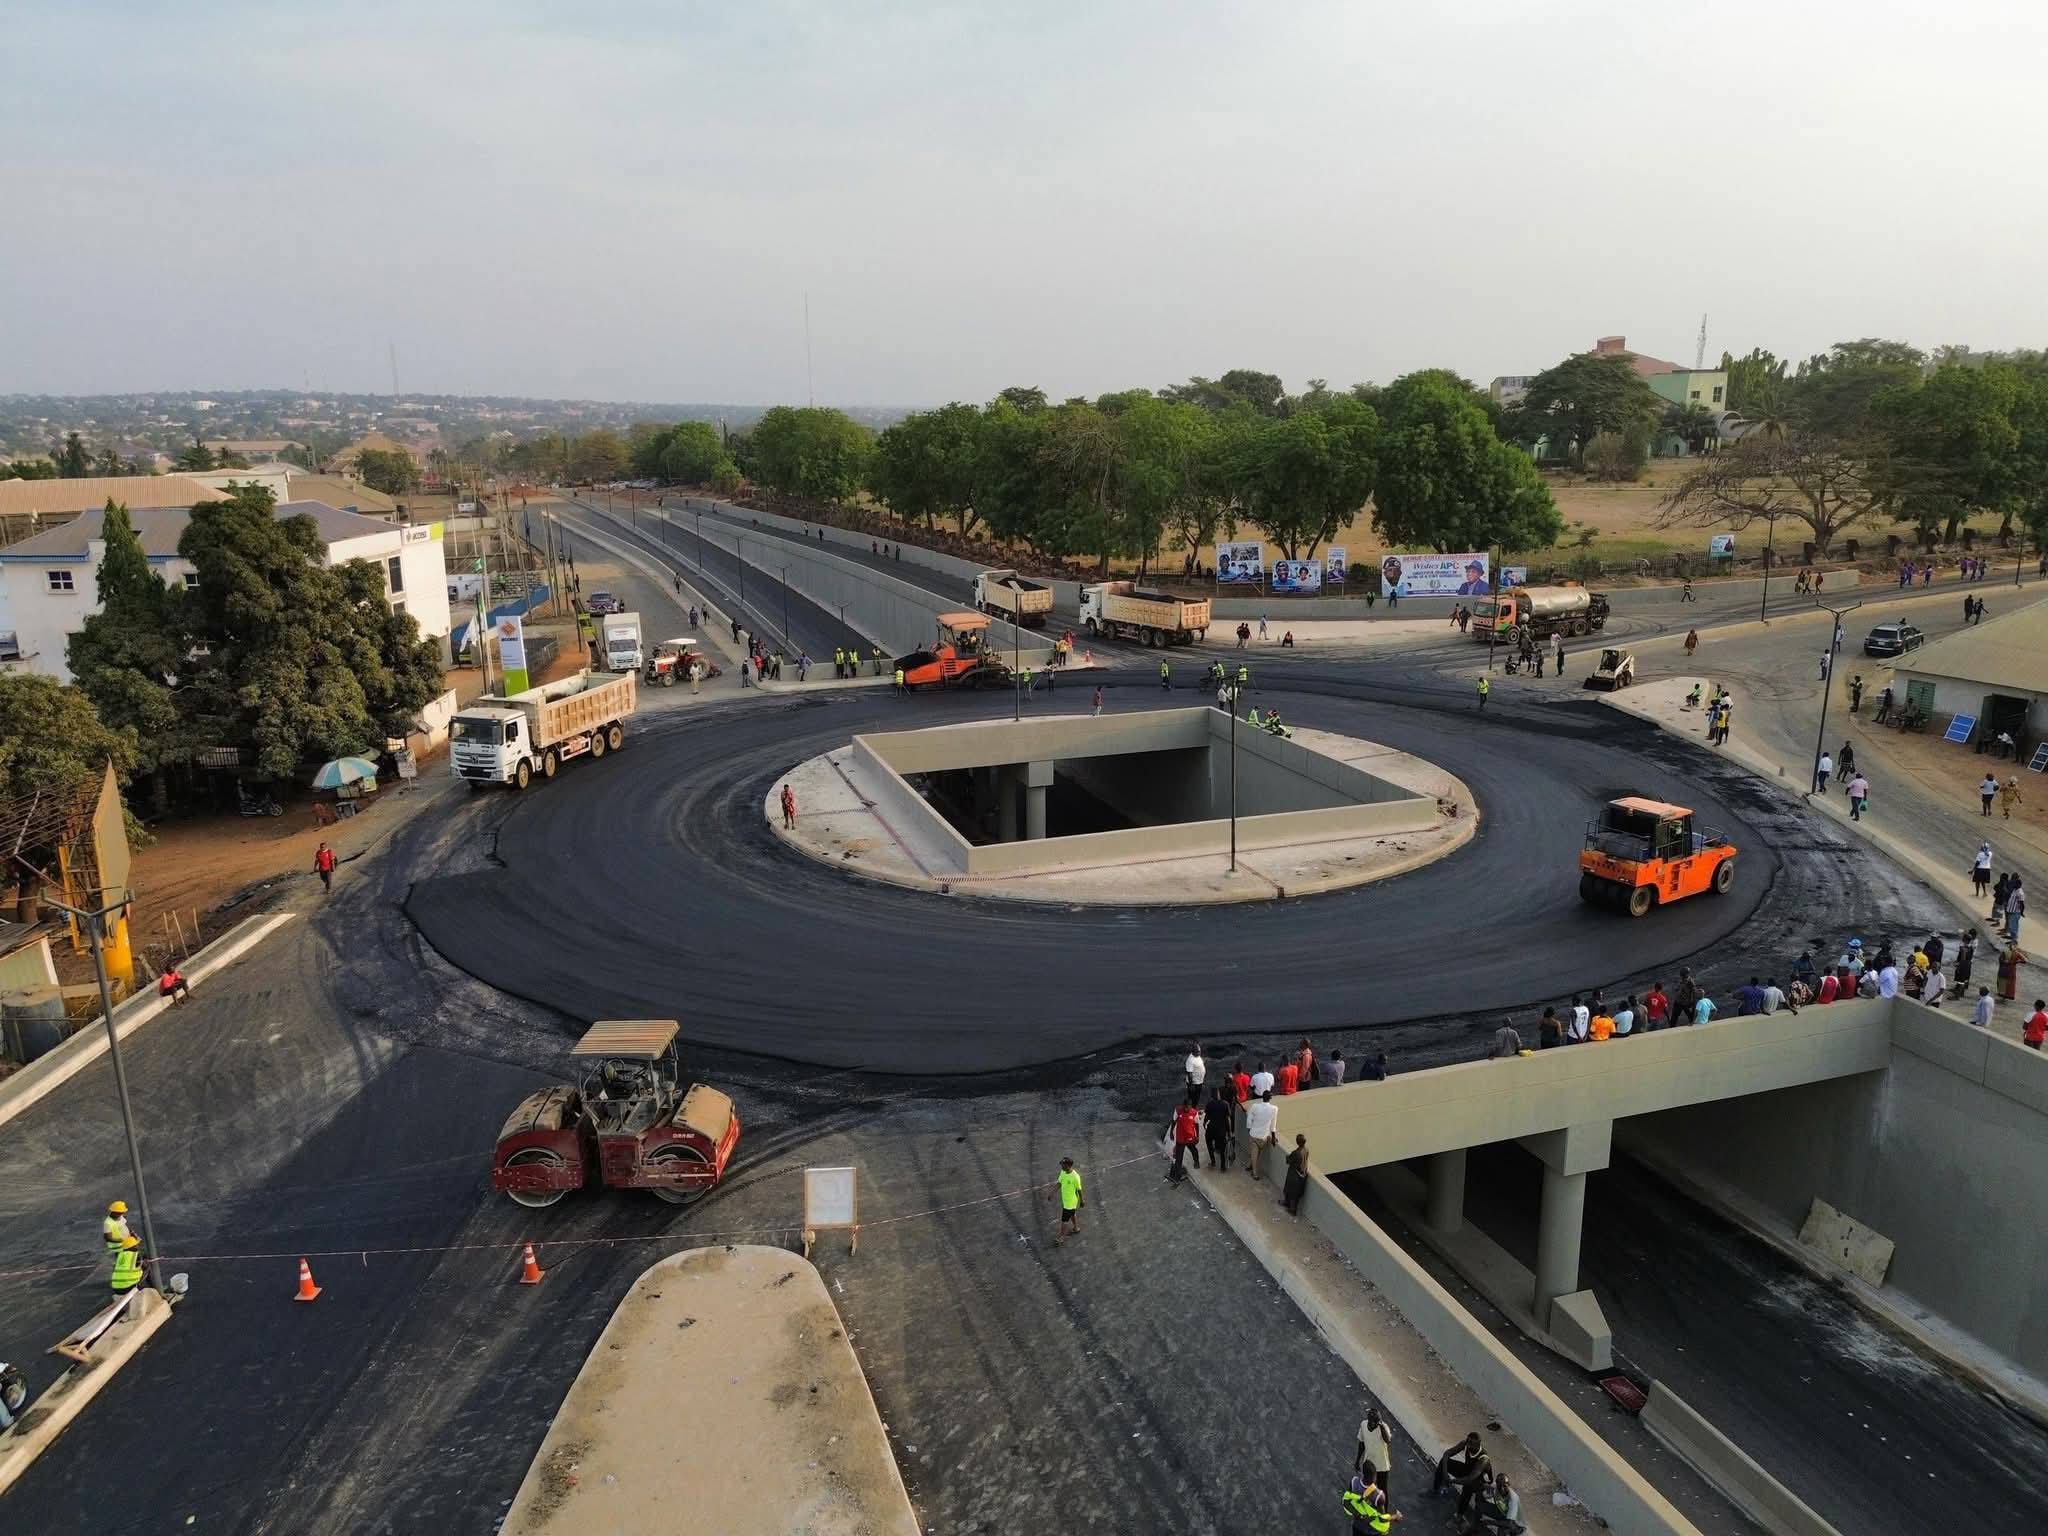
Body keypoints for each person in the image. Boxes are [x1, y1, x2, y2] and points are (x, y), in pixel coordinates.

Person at [1356, 1405, 1393, 1491]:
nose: (1373, 1425)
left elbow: (1388, 1440)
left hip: (1382, 1465)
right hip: (1369, 1464)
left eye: (1376, 1423)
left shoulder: (1384, 1427)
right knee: (1367, 1487)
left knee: (1382, 1489)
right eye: (1371, 1422)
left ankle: (1382, 1504)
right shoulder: (1363, 1425)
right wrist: (1357, 1460)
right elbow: (1362, 1443)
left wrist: (1381, 1426)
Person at [1244, 1091, 1279, 1180]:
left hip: (1254, 1135)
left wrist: (1249, 1129)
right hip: (1264, 1136)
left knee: (1254, 1154)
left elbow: (1249, 1118)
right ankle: (1250, 1166)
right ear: (1270, 1098)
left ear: (1262, 1097)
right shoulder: (1274, 1108)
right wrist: (1273, 1138)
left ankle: (1254, 1173)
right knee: (1256, 1154)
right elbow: (1273, 1125)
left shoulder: (1255, 1106)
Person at [1051, 1156, 1083, 1245]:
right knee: (1072, 1214)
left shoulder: (1075, 1177)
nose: (1061, 1166)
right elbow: (1060, 1182)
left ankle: (1061, 1237)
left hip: (1070, 1202)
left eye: (1063, 1165)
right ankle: (1076, 1228)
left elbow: (1079, 1189)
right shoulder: (1063, 1172)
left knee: (1064, 1220)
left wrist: (1082, 1201)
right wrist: (1052, 1193)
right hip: (1066, 1200)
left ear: (1068, 1166)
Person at [1167, 1098, 1200, 1182]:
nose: (1187, 1109)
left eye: (1188, 1107)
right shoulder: (1177, 1110)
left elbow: (1196, 1125)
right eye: (1185, 1107)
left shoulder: (1194, 1113)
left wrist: (1197, 1136)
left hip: (1190, 1138)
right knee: (1179, 1158)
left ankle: (1196, 1162)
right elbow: (1174, 1121)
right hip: (1180, 1138)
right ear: (1183, 1105)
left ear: (1191, 1106)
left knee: (1194, 1150)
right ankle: (1177, 1177)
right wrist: (1171, 1132)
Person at [1203, 1084, 1235, 1169]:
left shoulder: (1209, 1104)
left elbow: (1207, 1117)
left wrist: (1204, 1123)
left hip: (1211, 1129)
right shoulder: (1225, 1104)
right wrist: (1229, 1132)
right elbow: (1228, 1119)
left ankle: (1213, 1162)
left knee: (1209, 1144)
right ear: (1219, 1094)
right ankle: (1223, 1166)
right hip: (1221, 1130)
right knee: (1222, 1149)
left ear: (1211, 1095)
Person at [109, 1233, 145, 1300]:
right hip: (127, 1288)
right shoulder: (137, 1256)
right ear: (135, 1246)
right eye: (136, 1245)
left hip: (115, 1288)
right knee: (146, 1268)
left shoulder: (120, 1255)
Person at [1281, 1133, 1310, 1215]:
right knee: (1295, 1193)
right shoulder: (1306, 1150)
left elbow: (1288, 1161)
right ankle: (1288, 1204)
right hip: (1302, 1174)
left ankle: (1292, 1210)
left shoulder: (1296, 1153)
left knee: (1291, 1191)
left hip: (1294, 1174)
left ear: (1298, 1142)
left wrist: (1287, 1157)